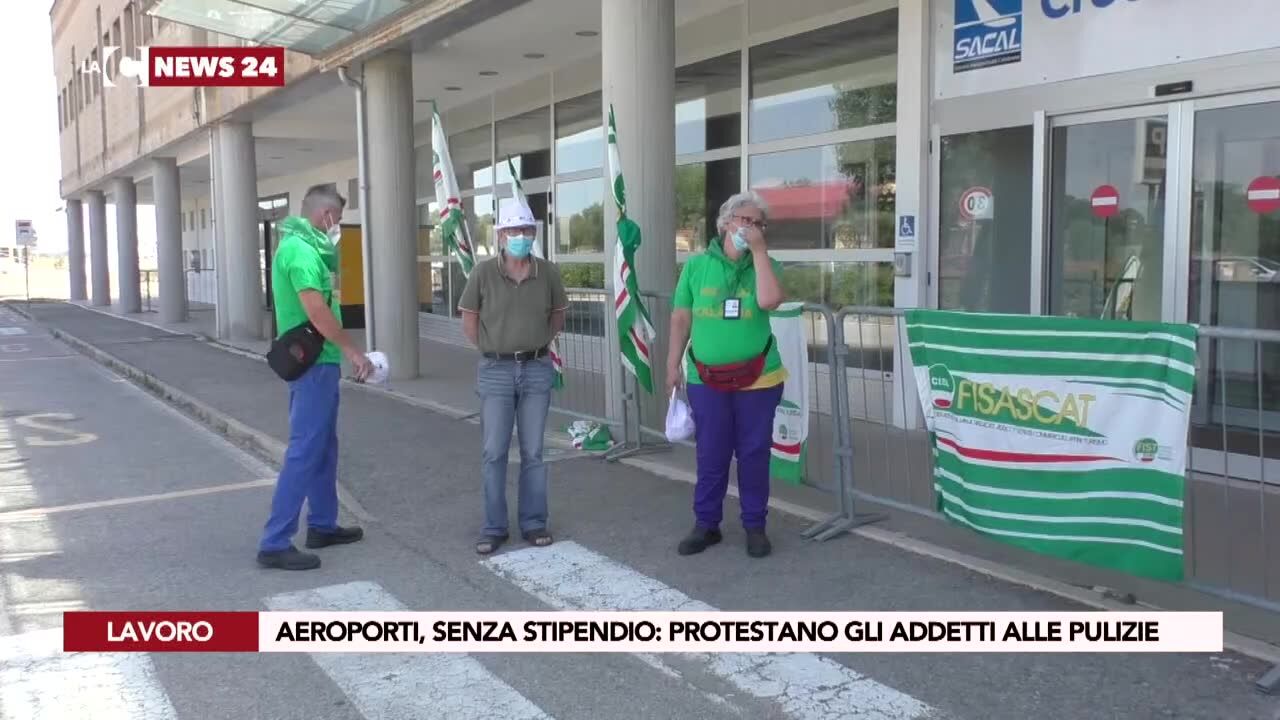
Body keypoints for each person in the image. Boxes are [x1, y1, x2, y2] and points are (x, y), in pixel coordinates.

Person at [257, 184, 373, 571]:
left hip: (316, 365)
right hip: (313, 366)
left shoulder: (300, 247)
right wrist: (352, 349)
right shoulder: (302, 252)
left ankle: (322, 524)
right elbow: (318, 313)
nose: (337, 228)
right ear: (325, 217)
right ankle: (275, 542)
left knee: (323, 446)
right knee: (306, 450)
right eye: (337, 220)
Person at [666, 191, 786, 559]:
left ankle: (755, 525)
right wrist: (672, 363)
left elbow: (769, 302)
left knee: (753, 453)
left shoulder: (767, 263)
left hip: (759, 379)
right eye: (744, 221)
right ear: (726, 223)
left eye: (758, 224)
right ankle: (706, 524)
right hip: (706, 379)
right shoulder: (697, 266)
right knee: (711, 453)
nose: (750, 229)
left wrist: (760, 253)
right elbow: (682, 317)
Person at [459, 201, 568, 555]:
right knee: (494, 452)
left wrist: (534, 346)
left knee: (535, 451)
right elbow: (470, 321)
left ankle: (534, 522)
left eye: (526, 231)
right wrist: (496, 349)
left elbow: (557, 317)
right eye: (513, 231)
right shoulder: (483, 273)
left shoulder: (548, 273)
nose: (520, 237)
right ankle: (494, 527)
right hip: (496, 371)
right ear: (501, 235)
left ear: (534, 234)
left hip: (536, 369)